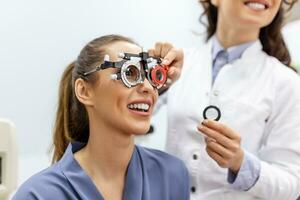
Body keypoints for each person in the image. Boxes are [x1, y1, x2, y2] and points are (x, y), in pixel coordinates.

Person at [150, 0, 300, 199]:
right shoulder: (178, 63)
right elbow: (119, 122)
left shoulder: (286, 83)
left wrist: (241, 163)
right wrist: (153, 82)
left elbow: (291, 184)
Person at [12, 34, 190, 200]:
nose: (149, 88)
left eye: (151, 76)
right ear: (84, 91)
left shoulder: (171, 175)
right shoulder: (38, 195)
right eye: (129, 73)